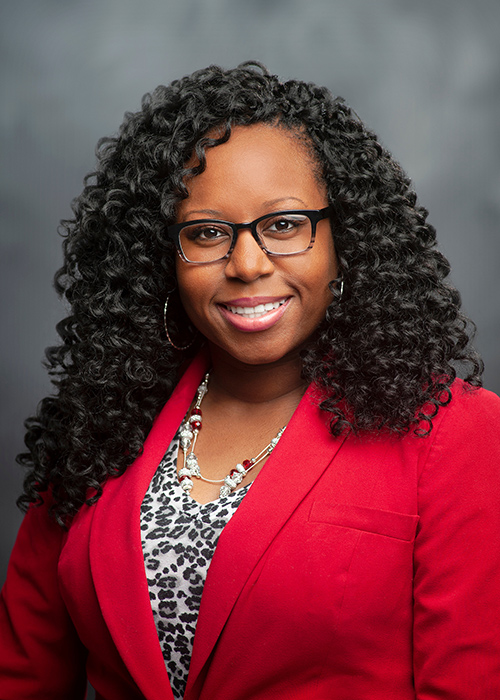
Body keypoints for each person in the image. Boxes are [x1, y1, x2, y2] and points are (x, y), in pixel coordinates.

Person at [1, 61, 499, 700]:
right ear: (162, 258)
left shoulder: (451, 431)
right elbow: (22, 677)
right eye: (206, 234)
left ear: (343, 241)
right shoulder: (97, 428)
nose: (245, 263)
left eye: (285, 225)